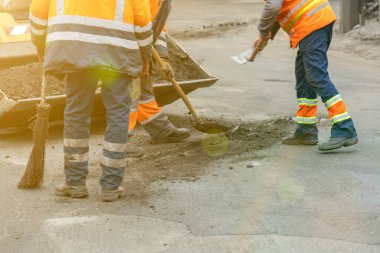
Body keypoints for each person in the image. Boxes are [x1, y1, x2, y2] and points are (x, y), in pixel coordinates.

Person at [29, 0, 152, 201]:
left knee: (76, 112)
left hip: (74, 49)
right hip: (116, 52)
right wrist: (145, 56)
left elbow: (37, 13)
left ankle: (74, 183)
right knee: (118, 114)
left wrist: (41, 44)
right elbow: (143, 20)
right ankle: (111, 187)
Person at [254, 0, 358, 151]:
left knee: (317, 77)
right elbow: (278, 8)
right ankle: (306, 130)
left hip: (312, 24)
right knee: (304, 79)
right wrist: (267, 35)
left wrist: (263, 32)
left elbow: (272, 6)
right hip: (315, 22)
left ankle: (345, 128)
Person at [127, 0, 190, 158]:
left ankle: (160, 130)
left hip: (141, 45)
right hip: (125, 46)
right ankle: (119, 142)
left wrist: (163, 58)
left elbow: (159, 30)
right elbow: (135, 21)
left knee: (143, 89)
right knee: (129, 91)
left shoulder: (164, 2)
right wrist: (143, 53)